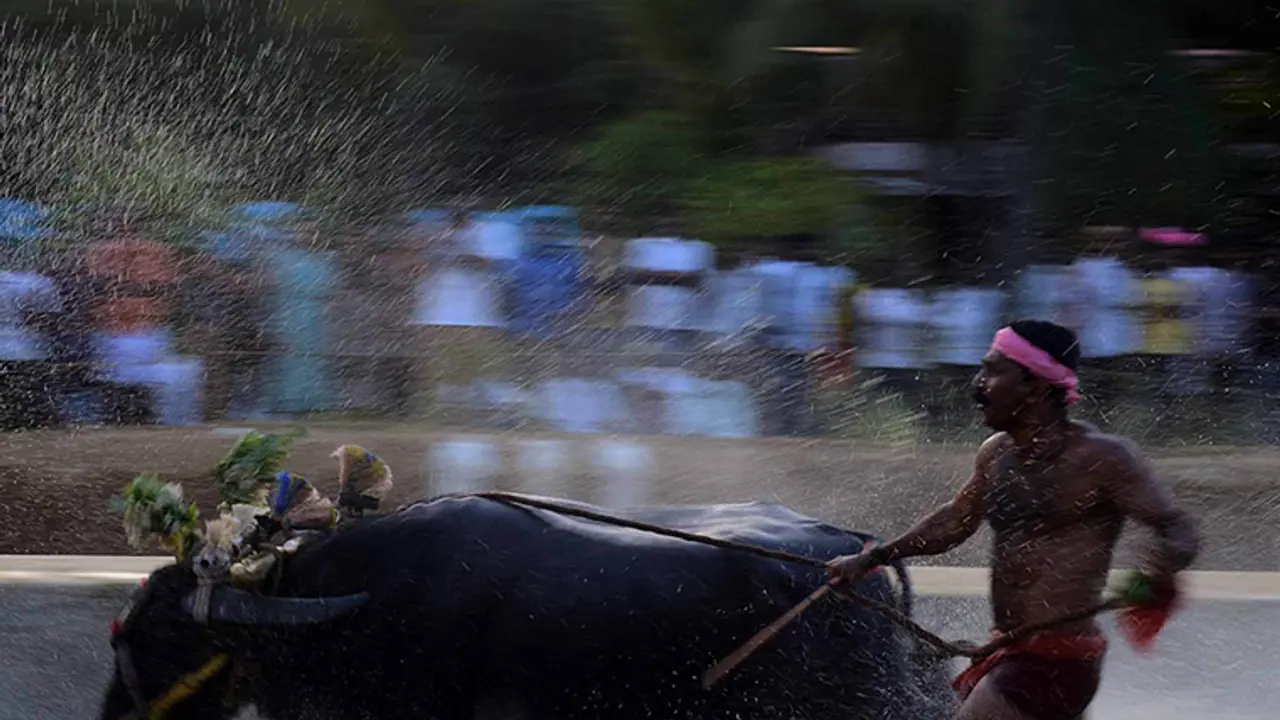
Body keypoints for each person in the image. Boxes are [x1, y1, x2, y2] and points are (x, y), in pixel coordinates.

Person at [827, 319, 1200, 720]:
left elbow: (1177, 528)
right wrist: (873, 558)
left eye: (992, 370)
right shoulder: (996, 454)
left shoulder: (1104, 459)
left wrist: (1162, 565)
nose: (978, 383)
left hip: (1059, 658)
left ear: (1036, 388)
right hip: (1007, 649)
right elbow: (956, 519)